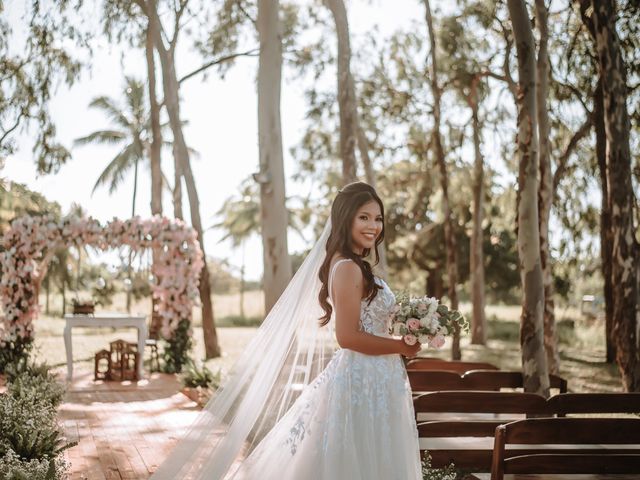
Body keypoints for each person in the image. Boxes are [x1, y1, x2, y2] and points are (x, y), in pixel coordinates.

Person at [151, 182, 423, 479]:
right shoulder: (347, 267)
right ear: (346, 219)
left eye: (378, 218)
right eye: (364, 217)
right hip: (363, 380)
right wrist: (400, 345)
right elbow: (347, 337)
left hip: (376, 377)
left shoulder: (352, 264)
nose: (373, 226)